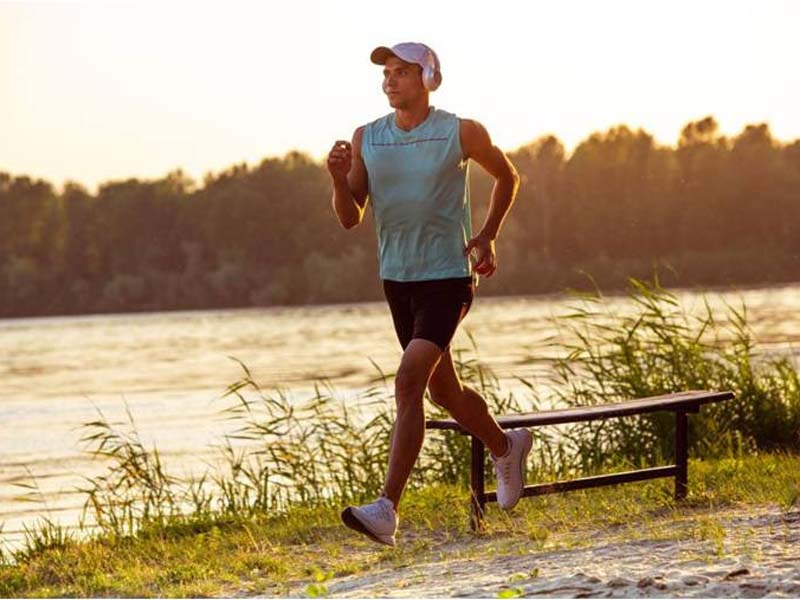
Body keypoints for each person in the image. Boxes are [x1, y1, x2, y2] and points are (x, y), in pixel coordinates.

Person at [326, 42, 532, 547]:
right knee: (445, 392)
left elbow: (507, 175)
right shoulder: (367, 137)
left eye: (401, 72)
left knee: (408, 381)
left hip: (447, 276)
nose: (390, 80)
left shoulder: (460, 131)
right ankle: (505, 446)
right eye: (387, 73)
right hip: (398, 280)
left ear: (428, 79)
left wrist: (487, 235)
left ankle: (386, 508)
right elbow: (351, 216)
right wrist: (336, 178)